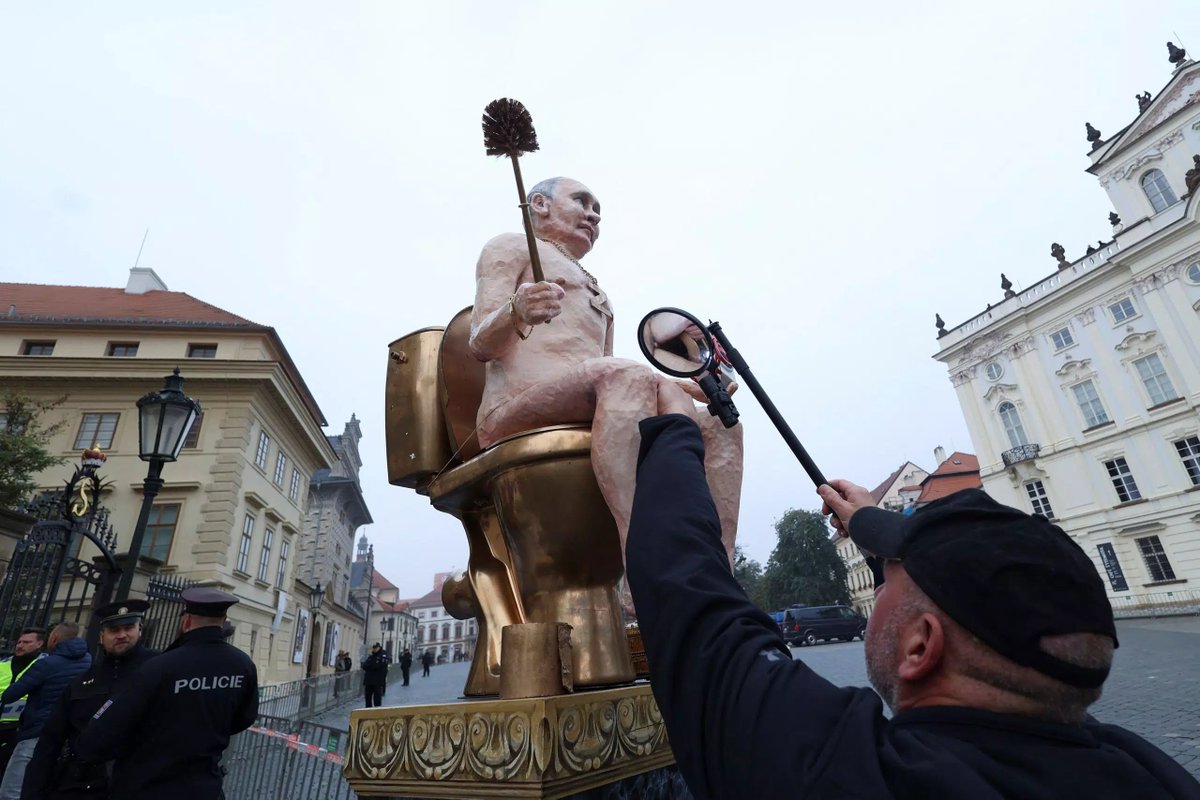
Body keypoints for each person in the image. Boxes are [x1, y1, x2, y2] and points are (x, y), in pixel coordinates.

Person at [624, 402, 1200, 800]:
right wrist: (873, 524)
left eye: (886, 582)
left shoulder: (856, 775)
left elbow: (689, 593)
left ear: (920, 645)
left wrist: (677, 431)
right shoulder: (1148, 772)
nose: (877, 586)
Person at [468, 177, 743, 574]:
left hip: (585, 396)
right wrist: (517, 310)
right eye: (582, 201)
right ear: (540, 205)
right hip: (513, 408)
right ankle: (641, 556)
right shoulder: (509, 246)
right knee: (621, 374)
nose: (594, 215)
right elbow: (480, 343)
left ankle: (718, 564)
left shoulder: (595, 287)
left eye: (598, 209)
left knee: (721, 424)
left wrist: (674, 385)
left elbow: (609, 371)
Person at [74, 588, 258, 800]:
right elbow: (244, 717)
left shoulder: (161, 666)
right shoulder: (242, 664)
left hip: (149, 784)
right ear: (224, 620)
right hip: (204, 785)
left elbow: (107, 729)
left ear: (186, 620)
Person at [23, 600, 157, 799]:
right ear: (102, 636)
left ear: (140, 630)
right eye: (113, 630)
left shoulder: (159, 670)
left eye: (128, 628)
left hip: (139, 785)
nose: (121, 635)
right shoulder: (84, 680)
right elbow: (51, 741)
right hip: (82, 785)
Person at [0, 623, 90, 800]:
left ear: (54, 638)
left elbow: (11, 694)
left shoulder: (46, 664)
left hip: (36, 730)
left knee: (11, 790)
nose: (20, 645)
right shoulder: (87, 660)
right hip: (68, 734)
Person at [0, 628, 46, 776]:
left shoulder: (44, 665)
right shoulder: (3, 663)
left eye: (26, 642)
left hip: (20, 726)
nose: (20, 645)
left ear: (39, 643)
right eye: (19, 642)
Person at [361, 644, 388, 708]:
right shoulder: (370, 656)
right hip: (368, 680)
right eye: (373, 648)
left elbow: (379, 667)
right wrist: (371, 666)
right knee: (368, 698)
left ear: (379, 647)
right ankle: (368, 711)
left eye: (376, 648)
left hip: (377, 681)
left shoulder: (383, 656)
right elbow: (364, 666)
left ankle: (377, 712)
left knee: (377, 699)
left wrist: (370, 667)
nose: (374, 649)